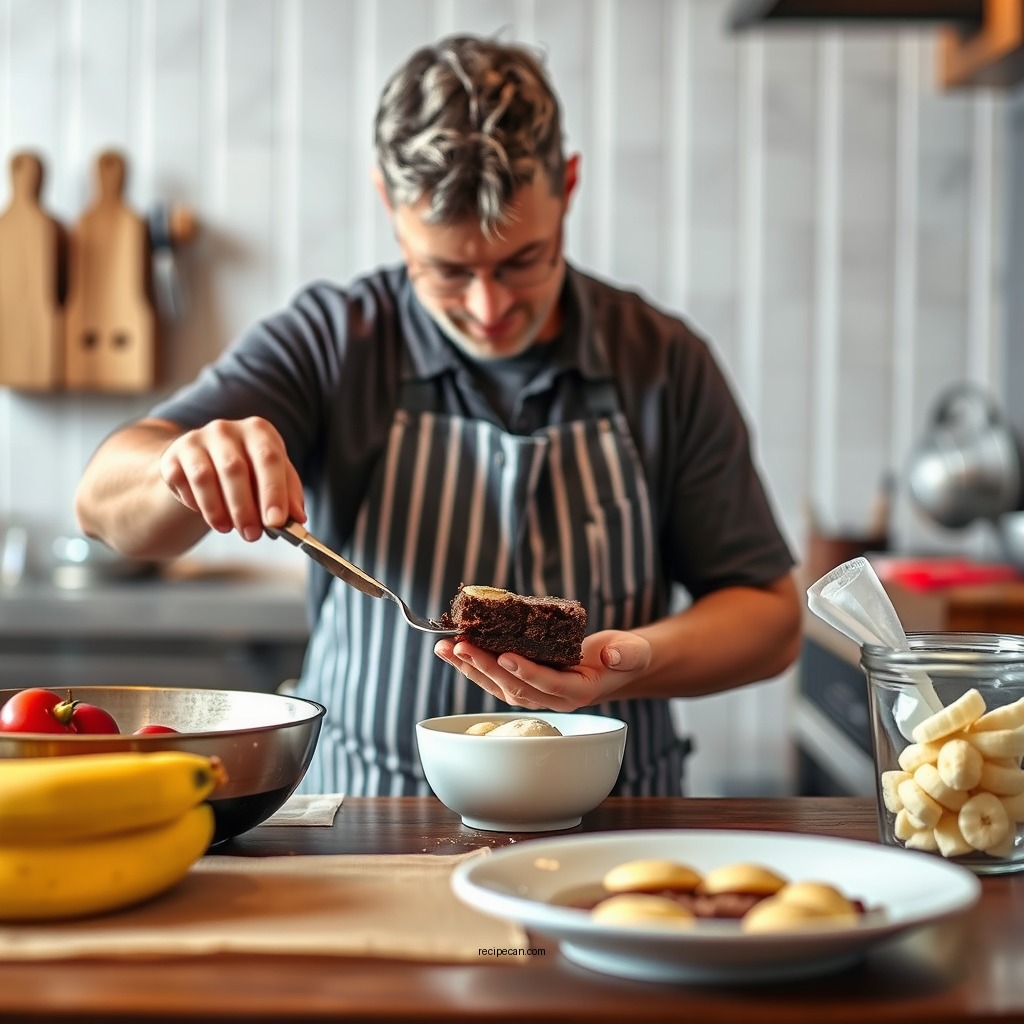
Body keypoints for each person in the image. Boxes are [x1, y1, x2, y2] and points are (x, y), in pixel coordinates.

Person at [75, 34, 802, 797]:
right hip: (370, 827)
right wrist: (178, 469)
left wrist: (637, 661)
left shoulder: (661, 359)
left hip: (615, 824)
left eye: (524, 260)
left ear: (570, 186)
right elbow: (100, 504)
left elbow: (768, 619)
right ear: (391, 206)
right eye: (448, 272)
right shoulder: (333, 341)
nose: (488, 309)